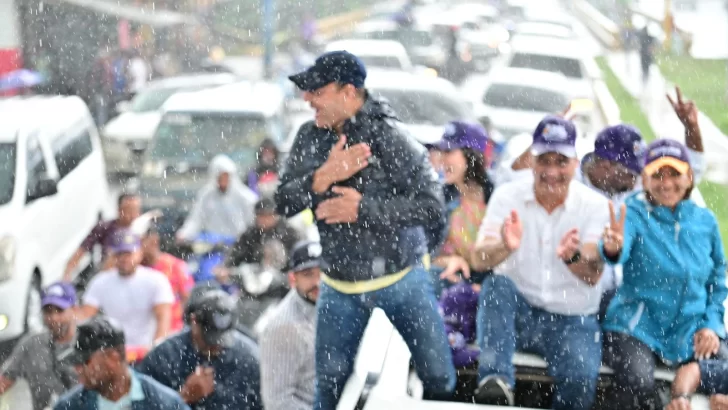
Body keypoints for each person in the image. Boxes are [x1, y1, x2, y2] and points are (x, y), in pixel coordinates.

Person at [277, 50, 455, 407]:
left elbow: (432, 207)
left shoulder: (392, 138)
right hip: (339, 286)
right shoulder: (309, 137)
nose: (307, 99)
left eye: (317, 91)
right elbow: (281, 203)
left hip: (402, 281)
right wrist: (322, 177)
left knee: (439, 376)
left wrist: (363, 209)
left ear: (349, 92)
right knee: (328, 389)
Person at [471, 115, 609, 409]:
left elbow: (592, 276)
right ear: (531, 161)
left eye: (561, 161)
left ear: (575, 164)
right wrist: (504, 247)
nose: (551, 171)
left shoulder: (596, 206)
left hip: (572, 319)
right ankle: (495, 383)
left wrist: (571, 257)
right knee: (496, 285)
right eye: (544, 161)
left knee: (581, 380)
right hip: (519, 311)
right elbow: (478, 259)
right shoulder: (508, 196)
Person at [600, 139, 728, 410]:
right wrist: (612, 247)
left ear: (689, 177)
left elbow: (718, 280)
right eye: (658, 174)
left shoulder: (705, 221)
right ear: (645, 179)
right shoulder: (632, 213)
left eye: (674, 174)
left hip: (692, 328)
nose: (666, 183)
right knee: (638, 382)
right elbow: (616, 250)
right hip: (637, 326)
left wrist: (712, 326)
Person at [138, 290, 263, 409]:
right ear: (194, 321)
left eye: (222, 340)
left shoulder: (249, 358)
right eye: (209, 339)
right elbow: (139, 404)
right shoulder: (165, 356)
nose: (215, 346)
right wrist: (183, 397)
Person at [55, 315, 190, 410]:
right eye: (75, 363)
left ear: (113, 358)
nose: (77, 369)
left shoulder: (165, 404)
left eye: (84, 361)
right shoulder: (68, 406)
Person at [80, 230, 175, 347]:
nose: (124, 258)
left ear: (140, 253)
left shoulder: (156, 280)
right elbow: (86, 317)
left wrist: (156, 348)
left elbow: (163, 319)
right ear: (113, 256)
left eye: (129, 253)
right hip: (113, 352)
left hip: (146, 350)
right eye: (120, 254)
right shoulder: (100, 282)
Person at [432, 121, 495, 294]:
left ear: (472, 155)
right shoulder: (439, 196)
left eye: (449, 152)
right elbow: (420, 253)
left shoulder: (498, 196)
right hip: (451, 281)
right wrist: (447, 261)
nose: (441, 159)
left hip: (490, 287)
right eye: (441, 152)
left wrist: (484, 285)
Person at [260, 241, 323, 410]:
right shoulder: (284, 327)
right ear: (292, 278)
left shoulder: (333, 304)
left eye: (323, 272)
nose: (318, 281)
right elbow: (277, 401)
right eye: (308, 274)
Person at [0, 282, 78, 410]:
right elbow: (4, 381)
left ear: (74, 310)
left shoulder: (88, 343)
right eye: (48, 311)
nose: (54, 317)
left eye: (60, 310)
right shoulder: (31, 344)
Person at [177, 154, 257, 243]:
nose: (223, 180)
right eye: (220, 177)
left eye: (226, 176)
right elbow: (196, 219)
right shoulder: (206, 195)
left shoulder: (245, 197)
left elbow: (251, 222)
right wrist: (184, 234)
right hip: (212, 245)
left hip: (238, 244)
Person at [64, 193, 141, 280]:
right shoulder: (105, 228)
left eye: (135, 210)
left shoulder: (142, 230)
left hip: (134, 278)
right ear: (119, 210)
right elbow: (81, 251)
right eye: (128, 210)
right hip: (108, 275)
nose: (132, 214)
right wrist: (67, 274)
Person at [141, 222, 194, 333]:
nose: (136, 246)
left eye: (140, 241)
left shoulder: (175, 266)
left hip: (171, 330)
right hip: (142, 333)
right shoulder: (133, 269)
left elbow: (188, 297)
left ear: (154, 240)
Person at [222, 198, 299, 272]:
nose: (265, 219)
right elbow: (236, 253)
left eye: (268, 215)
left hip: (284, 276)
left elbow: (297, 257)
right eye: (261, 215)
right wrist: (227, 267)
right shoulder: (250, 234)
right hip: (255, 278)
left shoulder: (288, 233)